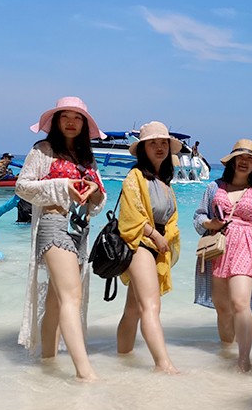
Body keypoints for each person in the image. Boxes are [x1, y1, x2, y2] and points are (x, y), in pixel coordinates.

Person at [16, 96, 107, 382]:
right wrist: (62, 185)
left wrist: (93, 189)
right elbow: (22, 187)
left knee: (56, 301)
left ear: (84, 124)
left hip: (79, 230)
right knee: (71, 296)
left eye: (77, 117)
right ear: (56, 121)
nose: (71, 122)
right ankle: (84, 372)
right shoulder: (43, 150)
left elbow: (99, 198)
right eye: (65, 116)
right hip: (54, 223)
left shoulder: (87, 158)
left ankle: (48, 365)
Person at [194, 139, 252, 373]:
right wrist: (211, 223)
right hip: (218, 248)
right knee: (222, 307)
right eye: (240, 157)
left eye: (250, 159)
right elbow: (198, 217)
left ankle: (244, 359)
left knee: (240, 303)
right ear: (232, 161)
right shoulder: (214, 187)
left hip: (246, 248)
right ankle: (227, 352)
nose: (244, 162)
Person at [116, 122, 182, 374]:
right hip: (139, 244)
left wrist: (166, 238)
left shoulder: (165, 182)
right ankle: (163, 365)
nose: (159, 147)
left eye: (163, 143)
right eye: (153, 143)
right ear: (143, 149)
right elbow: (130, 217)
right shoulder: (135, 177)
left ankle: (122, 358)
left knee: (133, 310)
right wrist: (156, 235)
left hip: (156, 246)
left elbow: (171, 219)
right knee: (151, 306)